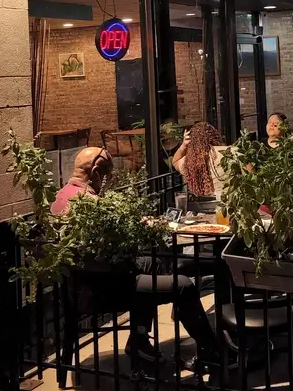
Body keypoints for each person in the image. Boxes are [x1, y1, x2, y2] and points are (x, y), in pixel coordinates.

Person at [52, 147, 223, 367]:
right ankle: (211, 351)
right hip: (102, 289)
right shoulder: (90, 205)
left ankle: (139, 339)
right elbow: (113, 254)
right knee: (183, 284)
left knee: (160, 264)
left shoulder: (61, 196)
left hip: (78, 285)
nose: (106, 182)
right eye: (106, 177)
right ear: (95, 172)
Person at [172, 122, 225, 198]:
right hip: (232, 204)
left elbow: (175, 161)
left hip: (205, 205)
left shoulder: (191, 160)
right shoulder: (233, 152)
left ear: (192, 140)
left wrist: (184, 145)